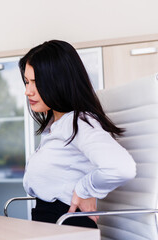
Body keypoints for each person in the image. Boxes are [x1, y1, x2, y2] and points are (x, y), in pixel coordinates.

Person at [20, 40, 136, 228]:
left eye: (36, 82)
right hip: (49, 223)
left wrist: (84, 189)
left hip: (67, 226)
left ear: (59, 81)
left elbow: (122, 167)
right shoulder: (56, 123)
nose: (27, 91)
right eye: (26, 81)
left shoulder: (80, 122)